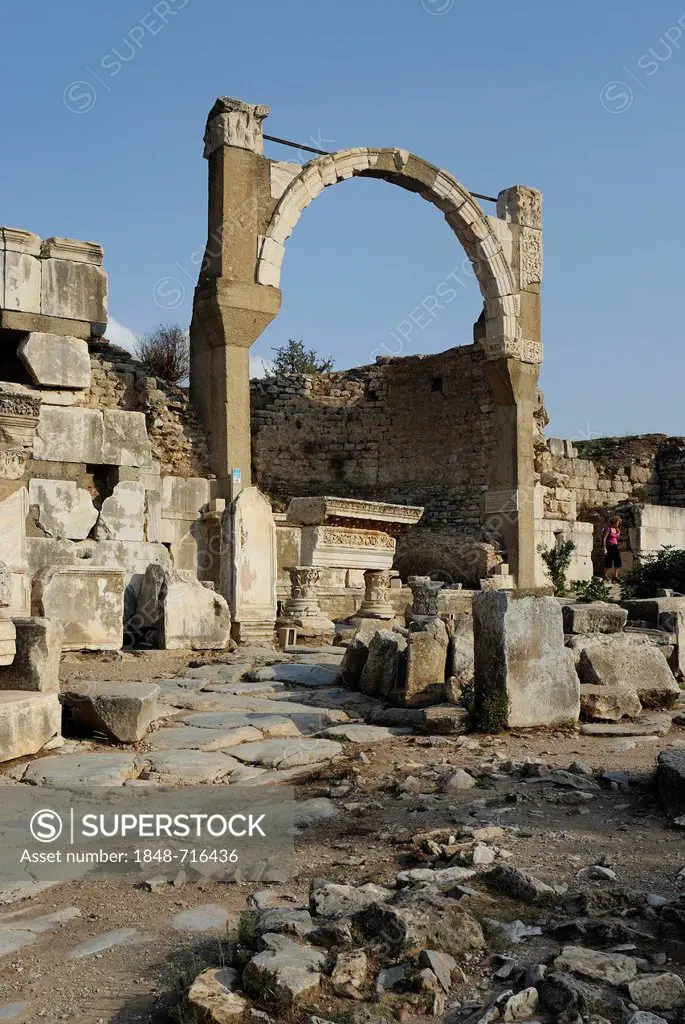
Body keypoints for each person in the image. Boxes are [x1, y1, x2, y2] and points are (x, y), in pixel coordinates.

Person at [601, 515, 622, 581]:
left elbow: (617, 538)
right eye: (618, 522)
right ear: (614, 522)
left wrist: (618, 534)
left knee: (617, 561)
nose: (618, 523)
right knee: (608, 561)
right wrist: (604, 547)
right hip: (609, 546)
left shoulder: (616, 529)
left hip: (615, 546)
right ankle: (605, 576)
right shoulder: (608, 528)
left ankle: (615, 576)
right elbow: (604, 538)